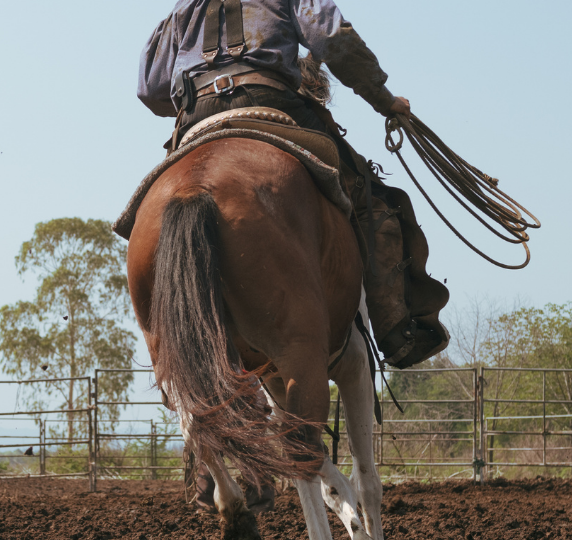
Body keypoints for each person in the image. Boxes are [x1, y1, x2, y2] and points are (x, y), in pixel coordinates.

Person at [138, 0, 449, 367]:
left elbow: (150, 88)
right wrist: (383, 99)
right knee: (370, 196)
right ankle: (395, 330)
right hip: (268, 99)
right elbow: (331, 38)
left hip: (195, 115)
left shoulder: (184, 6)